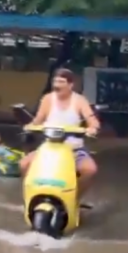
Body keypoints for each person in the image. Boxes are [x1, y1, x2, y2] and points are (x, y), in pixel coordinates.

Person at [20, 68, 100, 202]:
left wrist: (92, 128)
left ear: (70, 85)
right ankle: (32, 197)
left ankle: (74, 199)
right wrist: (29, 126)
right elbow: (38, 120)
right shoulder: (47, 99)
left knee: (90, 170)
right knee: (24, 164)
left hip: (73, 150)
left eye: (61, 82)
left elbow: (93, 122)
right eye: (55, 81)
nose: (57, 85)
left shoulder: (79, 100)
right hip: (49, 148)